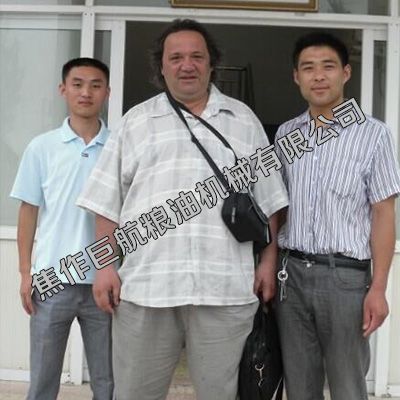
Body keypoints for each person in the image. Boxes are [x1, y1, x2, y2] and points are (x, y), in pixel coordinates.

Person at [77, 19, 288, 400]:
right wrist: (105, 267)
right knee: (135, 394)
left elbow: (271, 201)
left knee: (222, 394)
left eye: (196, 57)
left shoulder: (243, 121)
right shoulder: (136, 121)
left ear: (211, 63)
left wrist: (268, 262)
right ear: (161, 66)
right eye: (175, 58)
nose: (186, 65)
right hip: (146, 288)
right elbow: (106, 203)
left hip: (224, 288)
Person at [274, 32, 400, 400]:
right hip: (291, 277)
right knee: (299, 386)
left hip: (345, 279)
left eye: (328, 66)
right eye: (308, 68)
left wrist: (379, 288)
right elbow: (278, 209)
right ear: (296, 77)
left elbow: (383, 213)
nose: (318, 76)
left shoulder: (374, 135)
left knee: (348, 386)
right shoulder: (286, 134)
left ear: (345, 72)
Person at [10, 57, 113, 400]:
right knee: (43, 378)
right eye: (78, 84)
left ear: (107, 92)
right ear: (63, 89)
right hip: (52, 278)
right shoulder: (42, 147)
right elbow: (28, 211)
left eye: (96, 85)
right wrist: (26, 273)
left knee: (108, 380)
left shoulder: (119, 147)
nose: (86, 92)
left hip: (105, 279)